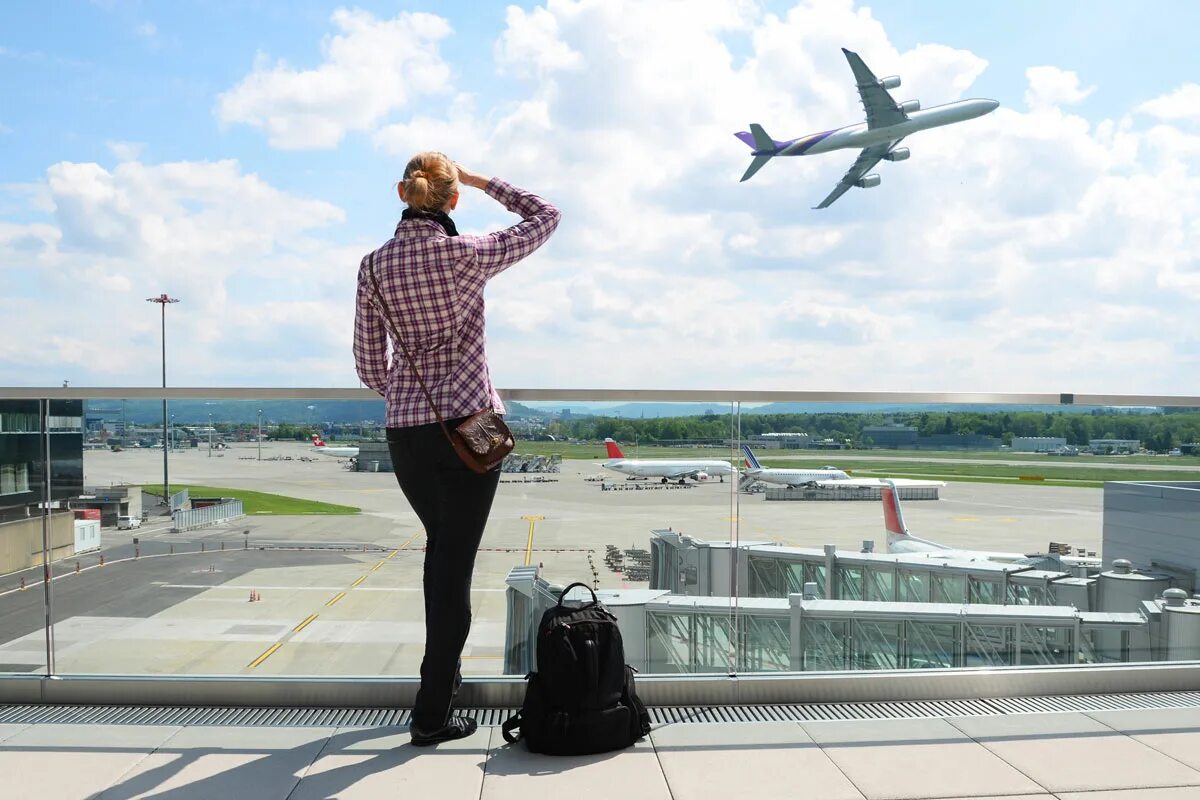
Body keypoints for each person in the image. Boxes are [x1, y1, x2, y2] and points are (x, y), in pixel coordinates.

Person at [353, 152, 560, 746]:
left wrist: (406, 383)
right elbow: (545, 215)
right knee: (453, 567)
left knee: (440, 555)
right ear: (452, 199)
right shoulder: (467, 252)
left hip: (408, 434)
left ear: (401, 191)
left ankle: (437, 693)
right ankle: (432, 709)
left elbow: (371, 367)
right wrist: (484, 180)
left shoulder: (372, 267)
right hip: (472, 430)